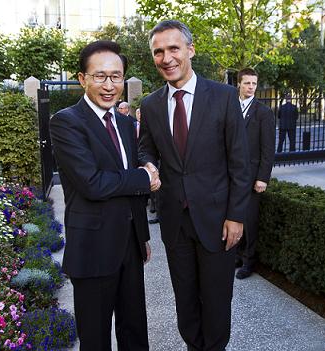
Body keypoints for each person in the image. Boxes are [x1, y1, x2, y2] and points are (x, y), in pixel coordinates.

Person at [139, 20, 251, 351]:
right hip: (175, 222)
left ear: (190, 49)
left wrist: (236, 216)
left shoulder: (224, 96)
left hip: (218, 221)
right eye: (158, 51)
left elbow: (240, 163)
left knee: (216, 302)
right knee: (185, 302)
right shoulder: (151, 104)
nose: (166, 57)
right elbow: (147, 147)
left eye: (173, 48)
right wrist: (148, 164)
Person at [49, 40, 160, 351]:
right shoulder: (66, 121)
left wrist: (142, 235)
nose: (110, 85)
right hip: (94, 249)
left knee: (135, 331)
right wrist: (144, 177)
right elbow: (92, 183)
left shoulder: (125, 123)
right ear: (82, 78)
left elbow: (126, 183)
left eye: (116, 76)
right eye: (100, 76)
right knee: (96, 339)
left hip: (129, 245)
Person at [235, 68, 275, 280]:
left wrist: (262, 178)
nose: (251, 87)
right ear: (239, 84)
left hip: (252, 177)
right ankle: (237, 255)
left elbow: (268, 149)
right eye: (247, 83)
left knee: (249, 220)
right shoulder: (231, 107)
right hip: (231, 175)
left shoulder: (263, 113)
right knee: (234, 215)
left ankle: (249, 261)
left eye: (254, 84)